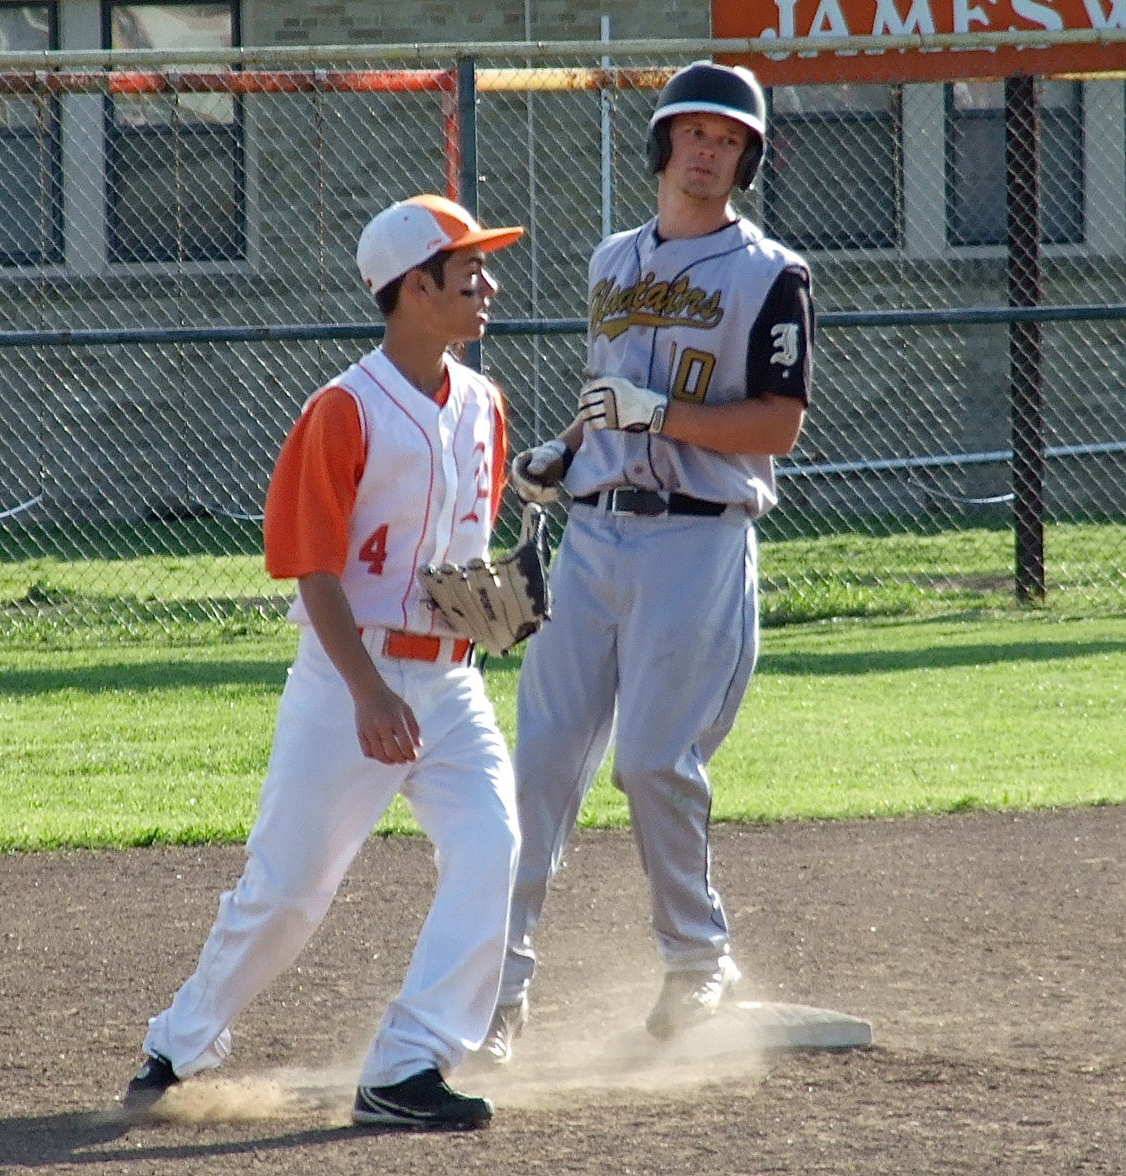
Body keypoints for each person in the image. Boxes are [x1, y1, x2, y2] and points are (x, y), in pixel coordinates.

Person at [120, 194, 525, 1129]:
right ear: (415, 287)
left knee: (493, 847)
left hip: (452, 681)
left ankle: (407, 1065)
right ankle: (179, 1040)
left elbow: (458, 550)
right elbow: (312, 566)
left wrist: (490, 603)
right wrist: (371, 691)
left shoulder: (484, 406)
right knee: (290, 893)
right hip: (352, 681)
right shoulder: (343, 410)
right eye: (468, 271)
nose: (487, 284)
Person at [483, 62, 814, 1061]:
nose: (709, 151)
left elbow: (781, 424)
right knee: (537, 764)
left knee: (650, 763)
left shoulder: (771, 273)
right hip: (594, 535)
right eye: (694, 133)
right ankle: (495, 987)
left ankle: (695, 958)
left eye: (729, 139)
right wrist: (562, 456)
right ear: (663, 145)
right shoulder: (612, 261)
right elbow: (607, 398)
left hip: (694, 538)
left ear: (745, 158)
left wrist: (660, 417)